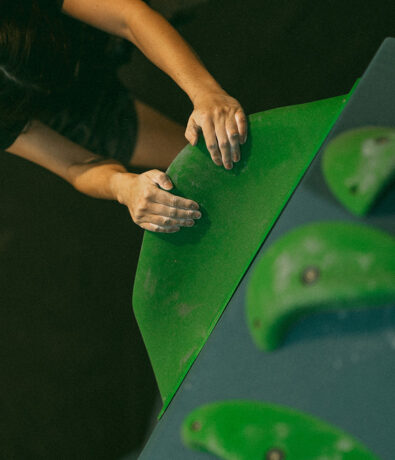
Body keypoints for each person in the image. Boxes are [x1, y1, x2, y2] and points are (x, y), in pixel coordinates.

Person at [0, 0, 247, 233]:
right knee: (214, 157)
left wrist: (205, 92)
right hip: (69, 108)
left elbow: (128, 17)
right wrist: (124, 187)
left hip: (77, 29)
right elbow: (73, 165)